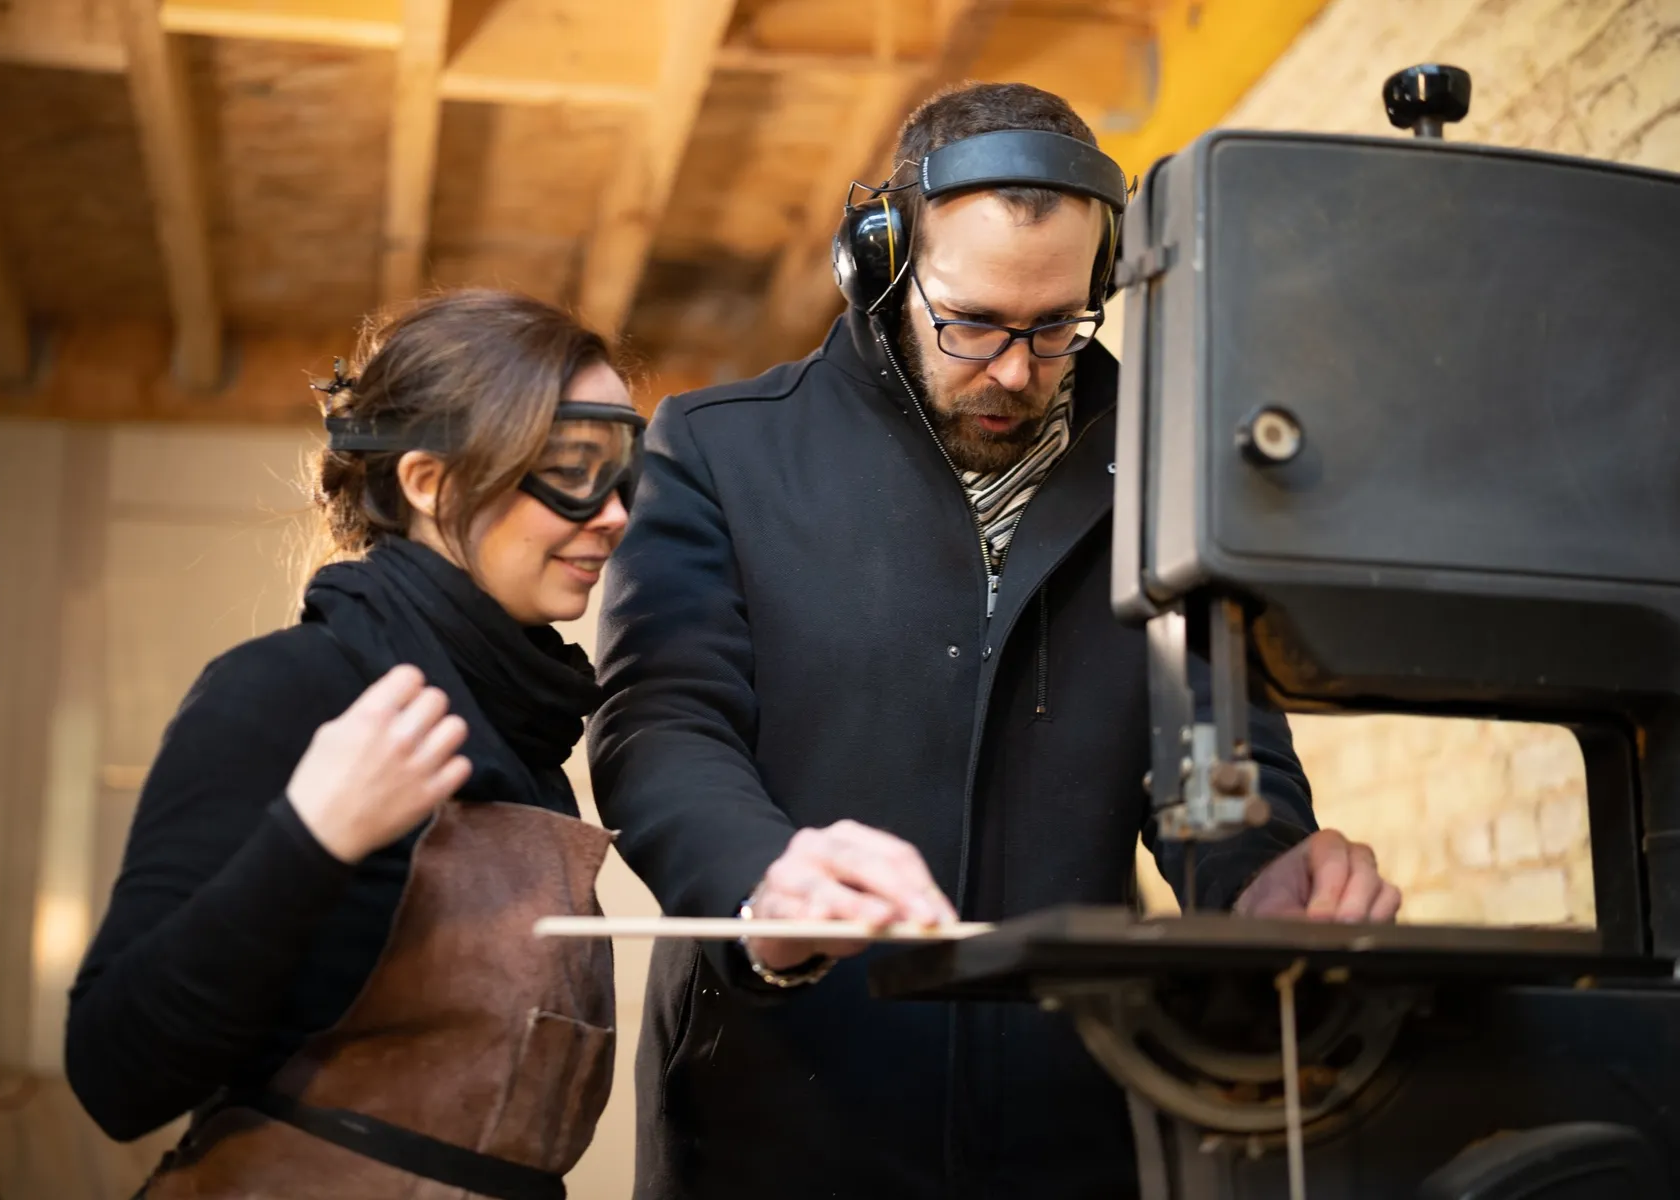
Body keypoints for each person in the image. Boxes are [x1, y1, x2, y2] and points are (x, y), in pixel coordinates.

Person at [587, 82, 1402, 1198]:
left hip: (1075, 1127)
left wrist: (1258, 883)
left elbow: (1222, 753)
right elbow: (660, 721)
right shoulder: (718, 453)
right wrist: (761, 879)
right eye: (970, 323)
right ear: (881, 267)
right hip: (780, 1114)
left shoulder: (1171, 483)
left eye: (1057, 326)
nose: (1015, 370)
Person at [67, 289, 643, 1199]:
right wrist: (312, 836)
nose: (613, 513)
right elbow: (113, 1074)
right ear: (429, 480)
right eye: (573, 465)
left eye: (622, 471)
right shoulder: (288, 691)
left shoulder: (526, 732)